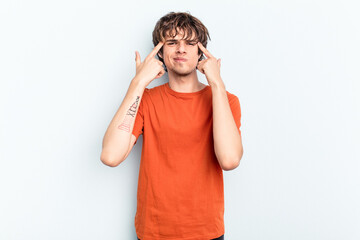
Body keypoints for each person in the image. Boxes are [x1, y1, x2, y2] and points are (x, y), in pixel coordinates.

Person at [100, 11, 243, 240]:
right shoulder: (145, 100)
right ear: (160, 53)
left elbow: (229, 160)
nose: (181, 49)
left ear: (200, 52)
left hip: (206, 233)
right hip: (154, 233)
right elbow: (110, 155)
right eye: (172, 42)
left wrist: (216, 82)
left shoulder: (226, 101)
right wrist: (138, 83)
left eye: (190, 42)